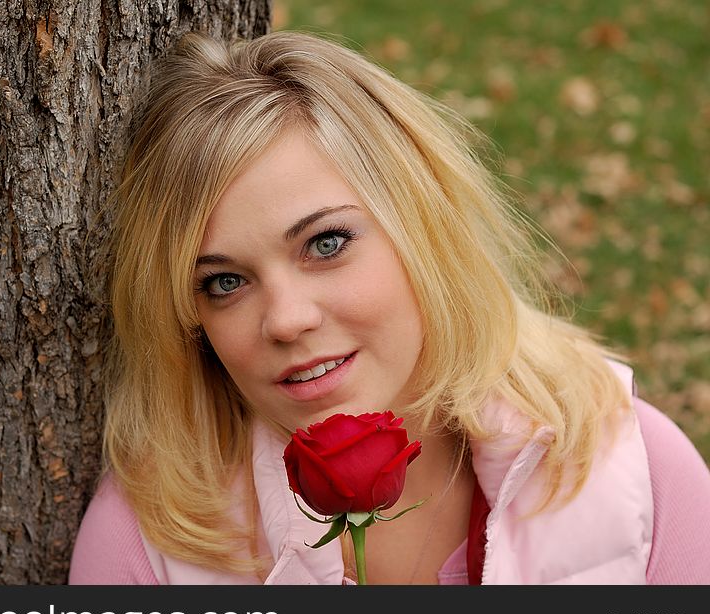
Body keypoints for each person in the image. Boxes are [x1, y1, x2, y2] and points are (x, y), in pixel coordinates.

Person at [69, 30, 710, 585]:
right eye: (225, 283)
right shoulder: (148, 550)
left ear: (420, 227)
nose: (287, 319)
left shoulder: (635, 472)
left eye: (326, 243)